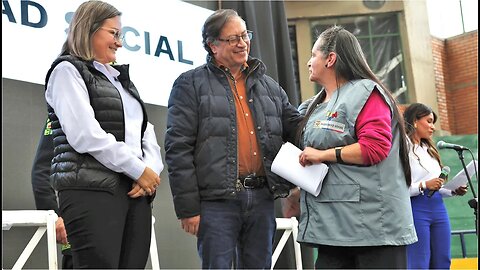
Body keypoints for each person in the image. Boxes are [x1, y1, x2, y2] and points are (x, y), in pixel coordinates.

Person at [164, 9, 303, 269]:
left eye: (244, 35)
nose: (242, 43)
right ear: (212, 45)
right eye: (233, 39)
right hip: (216, 204)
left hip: (261, 198)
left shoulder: (270, 87)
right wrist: (188, 208)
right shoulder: (189, 85)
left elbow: (296, 128)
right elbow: (177, 149)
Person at [44, 1, 163, 268]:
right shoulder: (67, 70)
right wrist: (137, 169)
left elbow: (146, 132)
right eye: (114, 33)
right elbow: (85, 135)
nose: (119, 43)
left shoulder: (119, 79)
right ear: (89, 29)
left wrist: (149, 173)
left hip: (135, 193)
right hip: (91, 191)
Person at [295, 25, 417, 269]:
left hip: (374, 229)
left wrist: (323, 155)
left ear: (330, 59)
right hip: (333, 228)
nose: (308, 62)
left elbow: (375, 148)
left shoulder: (367, 93)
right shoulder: (312, 106)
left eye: (313, 55)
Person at [403, 103, 468, 269]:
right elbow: (398, 188)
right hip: (416, 208)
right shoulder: (403, 148)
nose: (433, 127)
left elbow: (436, 187)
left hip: (438, 208)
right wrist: (424, 184)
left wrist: (452, 190)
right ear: (415, 121)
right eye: (429, 121)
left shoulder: (429, 150)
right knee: (419, 261)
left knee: (442, 260)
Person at [31, 116, 72, 269]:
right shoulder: (62, 112)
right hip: (80, 228)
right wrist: (53, 216)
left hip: (121, 226)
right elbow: (41, 171)